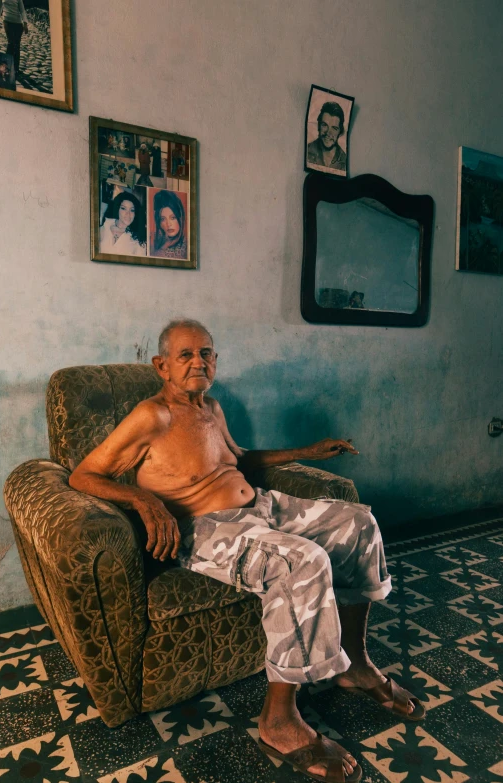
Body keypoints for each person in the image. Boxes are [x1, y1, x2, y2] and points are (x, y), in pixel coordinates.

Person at [70, 319, 426, 783]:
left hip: (261, 508)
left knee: (357, 522)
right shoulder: (151, 415)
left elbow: (240, 460)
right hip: (206, 528)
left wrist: (307, 452)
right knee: (302, 561)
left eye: (207, 353)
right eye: (185, 355)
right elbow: (83, 475)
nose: (198, 361)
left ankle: (354, 664)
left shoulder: (211, 408)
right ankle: (278, 720)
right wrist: (144, 499)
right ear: (161, 366)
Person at [99, 191, 146, 256]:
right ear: (117, 209)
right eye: (123, 208)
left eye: (132, 210)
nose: (128, 214)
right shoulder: (104, 228)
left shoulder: (139, 239)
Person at [307, 101, 347, 171]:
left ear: (340, 131)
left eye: (334, 128)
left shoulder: (344, 159)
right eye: (324, 125)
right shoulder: (307, 151)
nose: (328, 133)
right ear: (319, 126)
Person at [151, 190, 187, 259]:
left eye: (173, 218)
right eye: (163, 219)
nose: (168, 224)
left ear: (180, 217)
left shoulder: (186, 248)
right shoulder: (155, 241)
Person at [0, 0, 28, 76]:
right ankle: (4, 67)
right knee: (11, 43)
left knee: (17, 46)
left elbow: (22, 10)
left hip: (18, 24)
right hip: (7, 21)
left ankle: (16, 68)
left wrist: (25, 23)